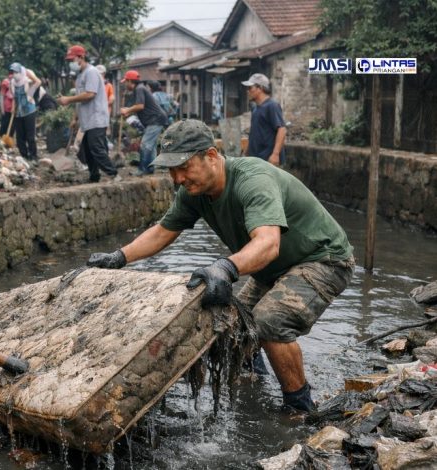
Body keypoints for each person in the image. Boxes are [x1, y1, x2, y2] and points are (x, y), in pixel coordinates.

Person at [87, 119, 354, 414]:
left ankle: (300, 408)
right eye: (171, 170)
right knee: (230, 322)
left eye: (183, 167)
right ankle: (255, 379)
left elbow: (268, 243)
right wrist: (119, 257)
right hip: (272, 269)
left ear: (211, 156)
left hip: (322, 259)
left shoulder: (253, 179)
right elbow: (163, 231)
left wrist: (225, 267)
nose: (177, 178)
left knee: (269, 322)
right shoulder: (194, 192)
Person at [57, 45, 117, 183]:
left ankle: (113, 174)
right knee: (86, 150)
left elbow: (90, 94)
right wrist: (75, 118)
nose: (70, 63)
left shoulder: (91, 72)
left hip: (96, 117)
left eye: (72, 59)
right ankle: (94, 176)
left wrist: (68, 99)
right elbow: (79, 101)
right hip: (87, 119)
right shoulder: (80, 77)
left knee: (96, 148)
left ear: (81, 57)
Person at [120, 70, 168, 176]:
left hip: (155, 119)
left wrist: (127, 110)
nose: (125, 85)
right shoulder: (140, 88)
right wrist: (129, 112)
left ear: (129, 81)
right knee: (151, 146)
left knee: (145, 145)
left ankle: (142, 169)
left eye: (126, 82)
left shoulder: (139, 89)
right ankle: (150, 169)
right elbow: (142, 108)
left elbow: (140, 106)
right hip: (156, 119)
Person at [243, 73, 286, 166]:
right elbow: (254, 132)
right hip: (257, 159)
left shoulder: (272, 106)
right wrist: (247, 151)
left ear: (260, 88)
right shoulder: (255, 108)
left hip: (268, 159)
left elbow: (281, 130)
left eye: (250, 88)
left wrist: (275, 154)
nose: (248, 91)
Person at [9, 62, 41, 160]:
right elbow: (15, 97)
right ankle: (24, 156)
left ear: (20, 71)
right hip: (19, 113)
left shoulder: (27, 80)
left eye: (16, 72)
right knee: (19, 138)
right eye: (12, 72)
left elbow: (38, 82)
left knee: (30, 136)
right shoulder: (12, 83)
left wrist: (30, 94)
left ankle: (33, 156)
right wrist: (13, 107)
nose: (14, 74)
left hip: (29, 111)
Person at [0, 70, 14, 137]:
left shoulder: (18, 82)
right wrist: (2, 109)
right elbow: (1, 96)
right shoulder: (6, 82)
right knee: (5, 124)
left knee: (12, 126)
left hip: (14, 108)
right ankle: (2, 137)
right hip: (7, 108)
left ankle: (9, 138)